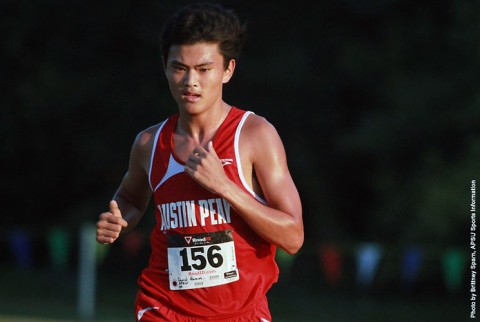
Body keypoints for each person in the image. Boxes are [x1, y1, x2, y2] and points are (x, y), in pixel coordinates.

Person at [96, 3, 303, 321]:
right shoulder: (149, 143)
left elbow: (293, 237)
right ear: (165, 66)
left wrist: (226, 187)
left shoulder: (255, 135)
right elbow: (129, 200)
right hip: (163, 309)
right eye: (179, 68)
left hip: (242, 312)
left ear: (227, 70)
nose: (190, 81)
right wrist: (118, 219)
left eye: (204, 69)